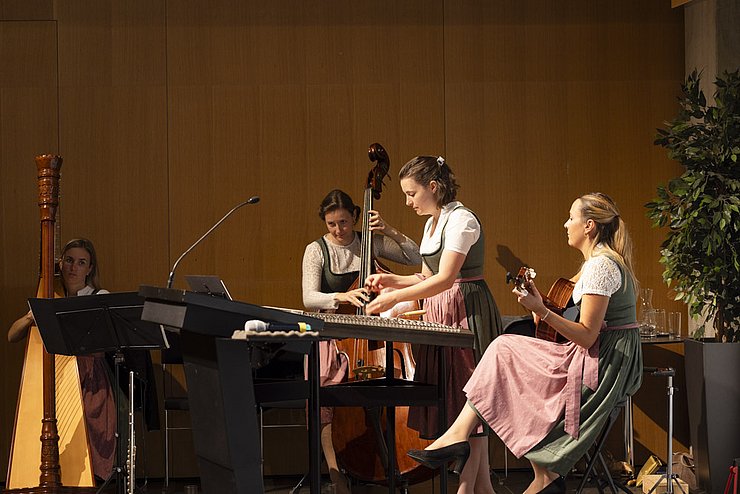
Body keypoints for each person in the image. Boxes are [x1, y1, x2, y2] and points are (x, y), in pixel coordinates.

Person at [406, 192, 643, 494]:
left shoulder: (601, 266)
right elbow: (568, 322)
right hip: (597, 354)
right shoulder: (595, 265)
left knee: (504, 351)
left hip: (604, 363)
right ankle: (534, 471)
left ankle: (460, 438)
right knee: (504, 352)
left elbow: (586, 334)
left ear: (589, 226)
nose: (566, 223)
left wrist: (541, 310)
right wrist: (538, 305)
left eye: (572, 217)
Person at [364, 156, 502, 494]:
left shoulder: (461, 220)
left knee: (470, 397)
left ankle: (466, 490)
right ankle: (478, 488)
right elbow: (426, 275)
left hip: (466, 310)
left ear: (433, 187)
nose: (408, 202)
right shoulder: (432, 223)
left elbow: (445, 279)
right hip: (443, 309)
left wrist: (394, 300)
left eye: (411, 194)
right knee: (462, 403)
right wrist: (391, 280)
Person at [301, 189, 422, 493]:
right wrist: (342, 296)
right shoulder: (316, 250)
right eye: (331, 224)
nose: (339, 230)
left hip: (372, 339)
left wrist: (390, 229)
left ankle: (390, 462)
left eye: (343, 222)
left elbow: (417, 257)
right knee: (325, 397)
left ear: (355, 217)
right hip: (333, 338)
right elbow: (308, 297)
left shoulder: (371, 243)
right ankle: (335, 473)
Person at [8, 238, 117, 481]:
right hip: (58, 378)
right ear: (60, 263)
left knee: (87, 445)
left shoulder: (99, 296)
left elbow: (104, 341)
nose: (73, 268)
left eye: (81, 262)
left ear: (89, 269)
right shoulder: (50, 297)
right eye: (69, 260)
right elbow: (11, 335)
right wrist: (31, 317)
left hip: (90, 378)